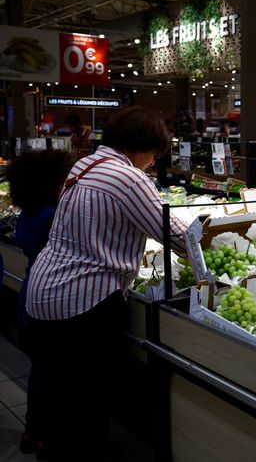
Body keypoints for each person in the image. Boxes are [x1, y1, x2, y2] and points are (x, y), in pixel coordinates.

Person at [27, 107, 190, 461]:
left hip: (44, 292)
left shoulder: (84, 165)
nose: (152, 163)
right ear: (143, 146)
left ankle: (51, 444)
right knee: (89, 396)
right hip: (84, 300)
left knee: (59, 387)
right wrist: (224, 241)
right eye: (155, 155)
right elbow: (175, 235)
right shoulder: (129, 178)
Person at [7, 150, 73, 457]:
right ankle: (49, 436)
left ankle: (33, 432)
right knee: (54, 374)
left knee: (40, 369)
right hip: (46, 300)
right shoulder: (50, 217)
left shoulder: (29, 214)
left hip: (28, 295)